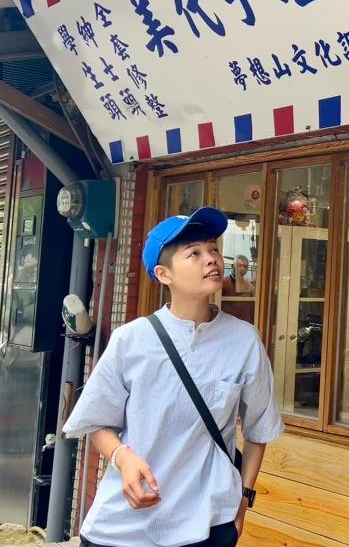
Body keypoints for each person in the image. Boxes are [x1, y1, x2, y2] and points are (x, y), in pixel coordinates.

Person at [62, 207, 283, 547]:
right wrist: (124, 457)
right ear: (164, 274)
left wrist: (244, 498)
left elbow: (258, 429)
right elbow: (96, 423)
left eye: (212, 249)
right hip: (124, 527)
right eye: (194, 253)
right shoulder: (131, 340)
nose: (210, 259)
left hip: (207, 524)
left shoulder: (244, 339)